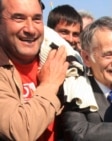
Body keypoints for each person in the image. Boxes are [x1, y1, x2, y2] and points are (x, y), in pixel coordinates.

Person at [0, 0, 69, 140]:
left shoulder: (59, 60)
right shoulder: (54, 75)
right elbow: (19, 131)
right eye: (18, 18)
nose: (30, 29)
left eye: (37, 19)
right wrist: (50, 85)